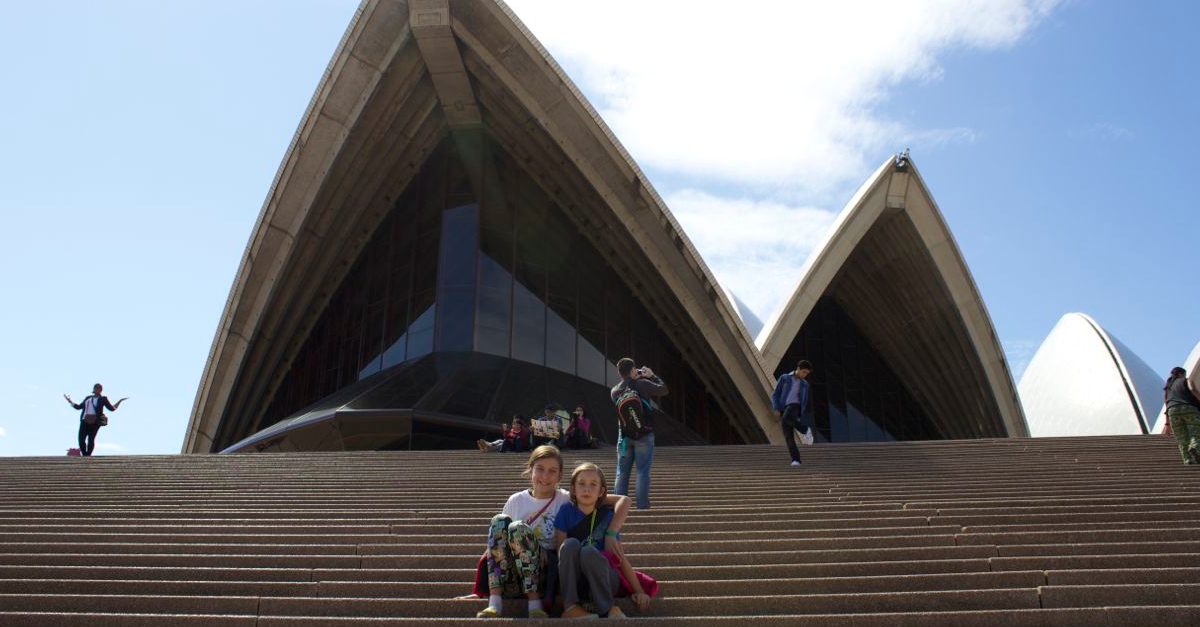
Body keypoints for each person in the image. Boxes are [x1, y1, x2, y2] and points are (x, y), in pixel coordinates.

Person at [473, 445, 631, 618]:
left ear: (560, 476)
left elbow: (622, 500)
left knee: (518, 529)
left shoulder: (565, 498)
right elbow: (498, 541)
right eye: (540, 469)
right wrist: (481, 585)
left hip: (546, 575)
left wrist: (611, 533)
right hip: (515, 577)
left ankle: (534, 605)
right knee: (499, 520)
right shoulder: (516, 500)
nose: (545, 476)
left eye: (552, 471)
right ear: (530, 469)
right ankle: (494, 602)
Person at [554, 462, 654, 619]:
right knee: (569, 545)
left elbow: (620, 559)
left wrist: (639, 591)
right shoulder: (565, 511)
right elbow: (562, 555)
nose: (587, 489)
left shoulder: (607, 517)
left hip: (605, 579)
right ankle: (570, 607)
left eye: (593, 484)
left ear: (601, 492)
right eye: (581, 484)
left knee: (588, 552)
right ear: (573, 489)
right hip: (576, 581)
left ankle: (607, 608)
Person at [610, 357, 668, 510]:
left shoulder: (614, 391)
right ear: (633, 370)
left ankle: (618, 507)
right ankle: (642, 506)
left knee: (622, 473)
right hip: (644, 435)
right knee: (642, 472)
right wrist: (651, 375)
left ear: (619, 373)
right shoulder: (642, 383)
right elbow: (663, 389)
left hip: (624, 437)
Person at [64, 383, 127, 457]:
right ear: (93, 389)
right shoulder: (88, 398)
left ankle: (88, 455)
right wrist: (70, 402)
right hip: (84, 420)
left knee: (91, 438)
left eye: (100, 388)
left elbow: (112, 408)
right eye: (96, 388)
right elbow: (79, 407)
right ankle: (85, 455)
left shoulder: (103, 399)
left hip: (96, 421)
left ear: (101, 390)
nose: (98, 389)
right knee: (81, 439)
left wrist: (120, 401)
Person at [771, 359, 814, 466]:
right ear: (798, 369)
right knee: (788, 436)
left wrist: (799, 414)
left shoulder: (805, 384)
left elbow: (804, 400)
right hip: (783, 408)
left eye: (807, 374)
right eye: (804, 372)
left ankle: (805, 430)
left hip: (795, 406)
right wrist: (776, 408)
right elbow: (775, 394)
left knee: (786, 418)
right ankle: (796, 460)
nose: (805, 375)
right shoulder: (785, 378)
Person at [1163, 366, 1200, 464]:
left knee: (1181, 437)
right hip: (1189, 409)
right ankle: (1195, 447)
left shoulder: (1168, 388)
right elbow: (1193, 389)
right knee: (1195, 432)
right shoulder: (1186, 380)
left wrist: (1167, 424)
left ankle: (1187, 459)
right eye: (1184, 374)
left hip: (1173, 411)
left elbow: (1166, 404)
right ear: (1180, 374)